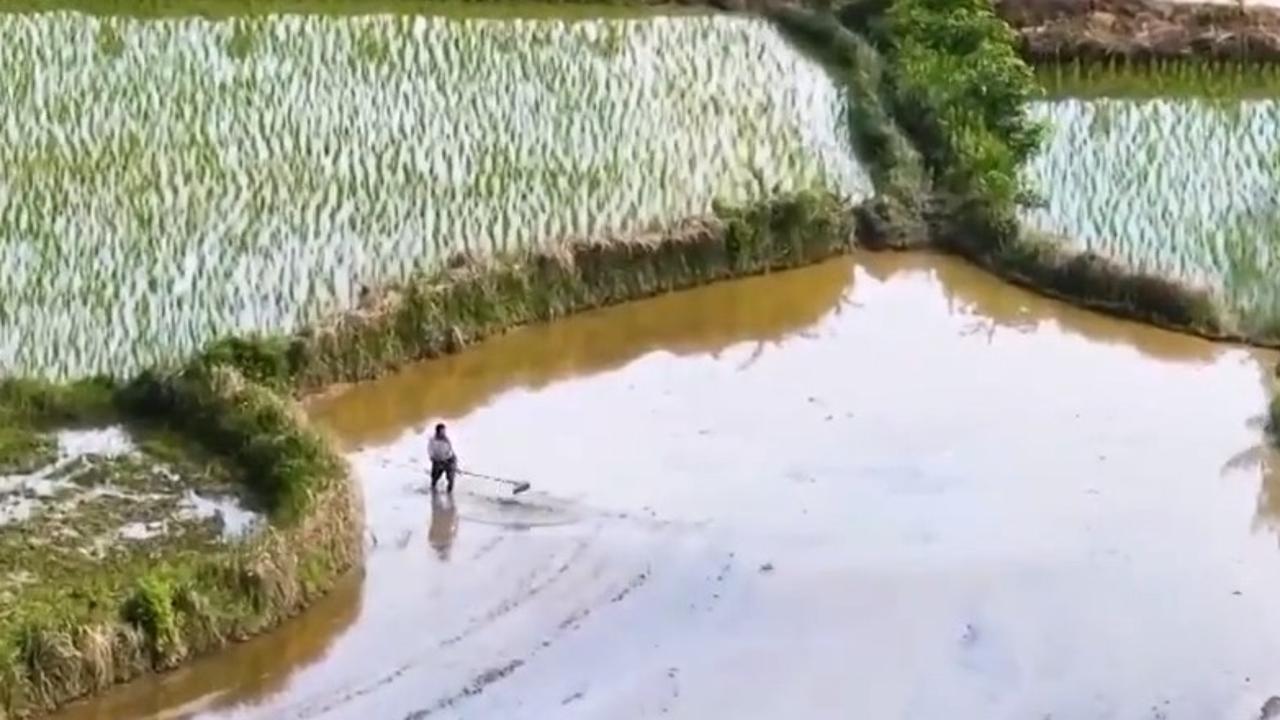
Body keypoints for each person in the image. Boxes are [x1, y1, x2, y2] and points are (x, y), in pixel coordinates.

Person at [428, 423, 458, 493]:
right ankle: (433, 488)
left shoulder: (447, 439)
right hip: (437, 460)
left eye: (444, 431)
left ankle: (449, 492)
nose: (443, 432)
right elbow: (430, 450)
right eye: (442, 431)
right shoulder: (432, 440)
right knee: (435, 476)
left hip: (449, 460)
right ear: (437, 431)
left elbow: (450, 450)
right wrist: (432, 457)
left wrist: (446, 459)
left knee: (450, 478)